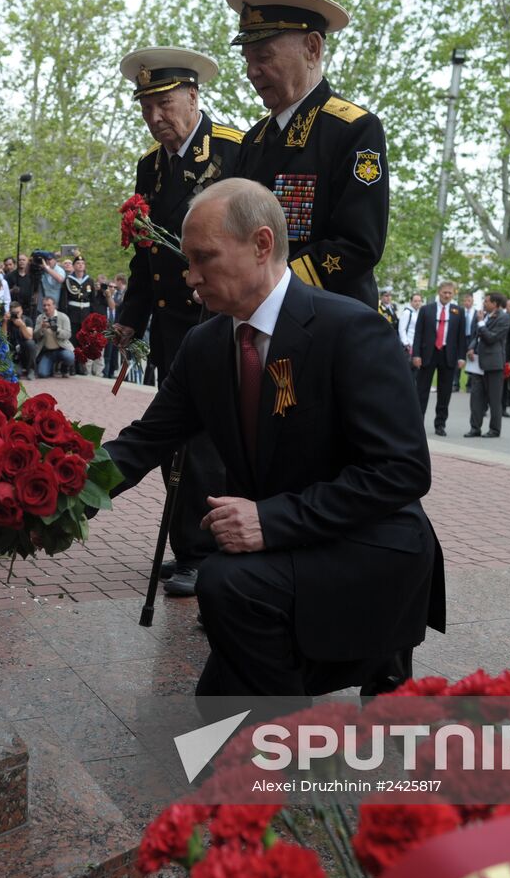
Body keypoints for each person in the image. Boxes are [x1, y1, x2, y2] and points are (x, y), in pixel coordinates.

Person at [104, 178, 443, 699]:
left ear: (261, 244)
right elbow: (142, 443)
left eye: (204, 258)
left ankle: (304, 717)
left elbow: (402, 472)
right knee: (219, 699)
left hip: (366, 540)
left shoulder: (351, 329)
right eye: (188, 261)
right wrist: (52, 495)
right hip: (280, 547)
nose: (190, 277)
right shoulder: (204, 345)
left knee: (224, 584)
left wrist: (272, 519)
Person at [115, 45, 244, 597]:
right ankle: (189, 545)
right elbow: (145, 255)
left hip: (214, 319)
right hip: (171, 327)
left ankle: (207, 551)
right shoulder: (150, 166)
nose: (155, 117)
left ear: (193, 96)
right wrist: (130, 319)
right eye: (146, 107)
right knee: (176, 437)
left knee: (208, 440)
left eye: (164, 104)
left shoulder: (235, 151)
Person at [228, 0, 388, 307]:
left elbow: (357, 246)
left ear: (312, 48)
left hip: (324, 319)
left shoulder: (354, 129)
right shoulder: (253, 140)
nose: (251, 72)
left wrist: (269, 286)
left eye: (264, 56)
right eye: (247, 60)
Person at [411, 281, 466, 436]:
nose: (447, 295)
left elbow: (461, 337)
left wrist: (461, 357)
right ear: (439, 292)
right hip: (428, 354)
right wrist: (416, 354)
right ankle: (417, 424)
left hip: (448, 355)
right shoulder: (426, 310)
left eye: (450, 293)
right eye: (444, 292)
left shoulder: (458, 311)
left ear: (453, 294)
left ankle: (440, 424)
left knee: (445, 392)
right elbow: (418, 333)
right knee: (421, 391)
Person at [464, 291, 510, 438]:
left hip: (493, 364)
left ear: (495, 304)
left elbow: (491, 338)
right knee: (476, 397)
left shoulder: (504, 318)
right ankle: (475, 428)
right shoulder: (484, 316)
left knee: (494, 399)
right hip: (478, 363)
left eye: (486, 301)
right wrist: (471, 348)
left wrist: (481, 322)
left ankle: (494, 429)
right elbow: (476, 336)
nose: (484, 303)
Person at [33, 297, 74, 377]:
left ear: (54, 306)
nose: (46, 307)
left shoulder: (63, 317)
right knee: (42, 374)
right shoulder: (40, 318)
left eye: (49, 305)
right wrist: (41, 329)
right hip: (47, 352)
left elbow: (68, 335)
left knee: (70, 356)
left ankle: (64, 367)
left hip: (62, 349)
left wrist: (57, 329)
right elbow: (35, 336)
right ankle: (51, 367)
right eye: (44, 305)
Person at [397, 292, 423, 357]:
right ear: (411, 302)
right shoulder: (407, 313)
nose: (418, 303)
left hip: (416, 345)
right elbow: (401, 329)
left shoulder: (419, 312)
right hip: (408, 346)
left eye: (419, 301)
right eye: (415, 301)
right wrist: (406, 343)